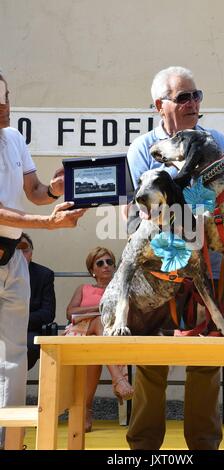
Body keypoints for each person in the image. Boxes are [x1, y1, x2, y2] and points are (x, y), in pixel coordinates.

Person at [125, 66, 224, 450]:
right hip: (161, 267)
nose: (193, 104)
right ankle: (143, 448)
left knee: (207, 359)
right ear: (160, 106)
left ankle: (204, 445)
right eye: (183, 97)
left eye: (197, 95)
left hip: (211, 263)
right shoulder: (142, 149)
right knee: (150, 355)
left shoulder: (217, 141)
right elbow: (156, 211)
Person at [0, 71, 85, 447]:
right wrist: (48, 225)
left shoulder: (14, 137)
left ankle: (9, 440)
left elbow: (33, 190)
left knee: (14, 359)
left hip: (12, 259)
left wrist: (54, 190)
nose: (4, 105)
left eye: (5, 96)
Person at [65, 246, 134, 432]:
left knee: (96, 345)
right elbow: (70, 312)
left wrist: (98, 314)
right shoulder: (84, 288)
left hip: (105, 334)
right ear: (92, 270)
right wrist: (100, 308)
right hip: (81, 331)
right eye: (100, 263)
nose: (106, 266)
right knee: (97, 325)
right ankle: (118, 378)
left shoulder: (121, 289)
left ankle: (86, 409)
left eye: (110, 262)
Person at [18, 233, 56, 371]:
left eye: (25, 250)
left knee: (30, 346)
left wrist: (18, 320)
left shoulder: (44, 275)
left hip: (29, 330)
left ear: (31, 253)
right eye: (16, 250)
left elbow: (48, 313)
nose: (20, 255)